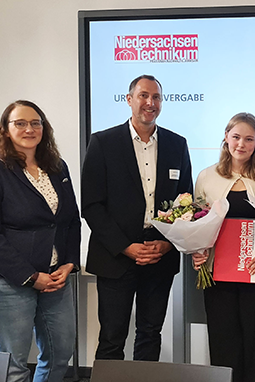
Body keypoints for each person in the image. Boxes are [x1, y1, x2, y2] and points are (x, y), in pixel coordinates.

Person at [82, 75, 193, 361]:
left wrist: (168, 244)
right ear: (129, 99)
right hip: (116, 256)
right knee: (111, 338)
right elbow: (92, 205)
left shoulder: (176, 145)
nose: (150, 103)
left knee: (150, 334)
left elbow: (187, 202)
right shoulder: (102, 143)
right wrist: (126, 247)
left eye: (156, 97)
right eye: (144, 95)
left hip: (159, 256)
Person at [191, 112, 255, 382]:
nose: (241, 144)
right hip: (218, 274)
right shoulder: (207, 177)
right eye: (236, 137)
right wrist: (198, 251)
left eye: (248, 139)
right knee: (222, 341)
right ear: (226, 139)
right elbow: (195, 222)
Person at [0, 100, 80, 382]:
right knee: (14, 365)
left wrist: (69, 264)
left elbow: (70, 221)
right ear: (5, 130)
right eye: (20, 123)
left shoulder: (56, 167)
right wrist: (31, 277)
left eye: (35, 123)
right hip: (11, 281)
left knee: (60, 354)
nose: (29, 129)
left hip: (57, 278)